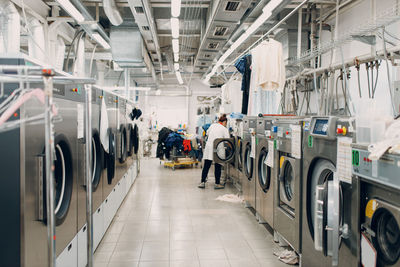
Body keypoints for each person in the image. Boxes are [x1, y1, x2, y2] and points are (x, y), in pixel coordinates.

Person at [198, 114, 230, 189]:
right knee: (217, 165)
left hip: (209, 146)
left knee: (207, 165)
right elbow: (228, 140)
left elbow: (207, 133)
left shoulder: (212, 125)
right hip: (218, 147)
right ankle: (217, 183)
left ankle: (202, 182)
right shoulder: (224, 129)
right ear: (224, 122)